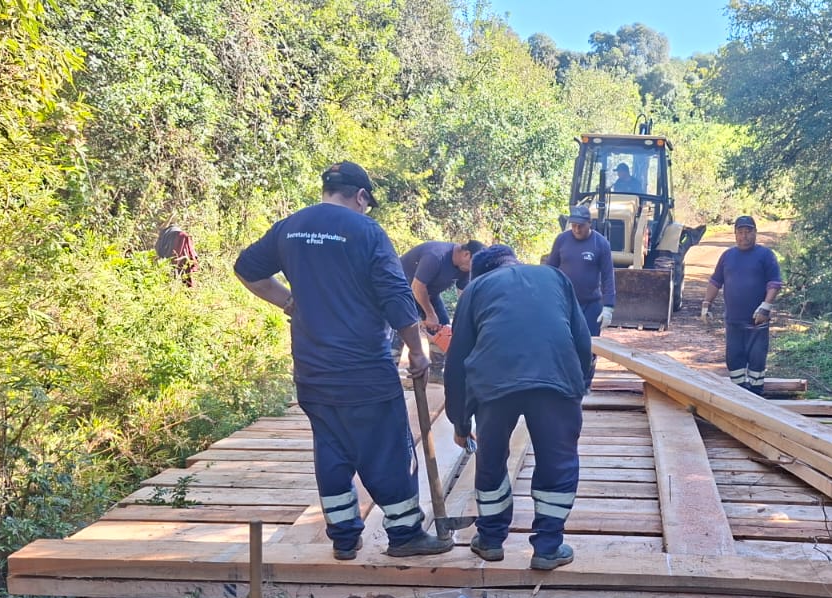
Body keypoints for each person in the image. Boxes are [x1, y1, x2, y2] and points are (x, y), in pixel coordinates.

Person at [234, 161, 453, 561]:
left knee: (332, 450)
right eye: (367, 202)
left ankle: (344, 538)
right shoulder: (366, 231)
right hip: (364, 370)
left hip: (312, 370)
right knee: (387, 450)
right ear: (361, 196)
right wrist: (418, 352)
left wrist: (287, 300)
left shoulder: (291, 227)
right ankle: (405, 533)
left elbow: (246, 269)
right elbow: (395, 296)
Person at [444, 245, 593, 571]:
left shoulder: (475, 290)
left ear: (480, 273)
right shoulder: (555, 277)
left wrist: (460, 422)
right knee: (558, 462)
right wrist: (578, 387)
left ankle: (490, 540)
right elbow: (583, 341)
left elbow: (456, 362)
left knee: (491, 460)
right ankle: (548, 548)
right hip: (556, 378)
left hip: (494, 384)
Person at [702, 215, 784, 395]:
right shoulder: (727, 256)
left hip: (757, 322)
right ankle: (738, 394)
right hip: (733, 321)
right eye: (740, 232)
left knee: (757, 360)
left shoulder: (765, 255)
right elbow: (715, 281)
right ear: (735, 234)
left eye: (748, 232)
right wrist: (706, 304)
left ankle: (756, 394)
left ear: (755, 233)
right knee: (734, 361)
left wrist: (766, 306)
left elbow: (774, 283)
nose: (744, 236)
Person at [543, 205, 617, 335]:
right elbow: (550, 270)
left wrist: (608, 307)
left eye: (581, 226)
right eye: (574, 226)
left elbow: (608, 276)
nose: (577, 230)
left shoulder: (601, 243)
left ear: (589, 223)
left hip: (590, 305)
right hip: (565, 303)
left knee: (590, 343)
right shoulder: (562, 240)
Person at [399, 239, 485, 330]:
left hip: (429, 294)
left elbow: (463, 296)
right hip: (403, 291)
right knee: (406, 329)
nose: (473, 270)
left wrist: (469, 318)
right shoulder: (435, 256)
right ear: (466, 254)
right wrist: (430, 314)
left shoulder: (465, 267)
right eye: (474, 265)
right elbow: (417, 287)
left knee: (444, 329)